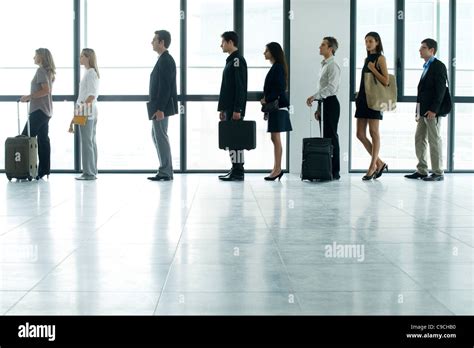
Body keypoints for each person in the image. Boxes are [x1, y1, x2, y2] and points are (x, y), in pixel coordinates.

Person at [405, 38, 448, 181]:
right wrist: (418, 111)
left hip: (432, 112)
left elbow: (441, 90)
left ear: (431, 50)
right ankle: (422, 170)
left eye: (423, 48)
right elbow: (422, 91)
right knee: (419, 138)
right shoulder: (427, 66)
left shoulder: (438, 66)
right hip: (423, 111)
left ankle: (438, 172)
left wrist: (434, 110)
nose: (420, 50)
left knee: (434, 140)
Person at [354, 32, 390, 180]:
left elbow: (386, 81)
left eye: (370, 41)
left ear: (377, 42)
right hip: (363, 99)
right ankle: (379, 162)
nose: (368, 44)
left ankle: (372, 166)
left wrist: (373, 68)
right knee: (360, 134)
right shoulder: (366, 59)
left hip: (375, 101)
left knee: (373, 132)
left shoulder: (380, 58)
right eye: (366, 41)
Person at [306, 36, 341, 180]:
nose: (319, 47)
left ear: (330, 48)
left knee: (331, 137)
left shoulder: (333, 65)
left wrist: (314, 97)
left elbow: (331, 88)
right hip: (325, 103)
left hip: (331, 103)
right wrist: (319, 107)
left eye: (323, 45)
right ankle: (326, 170)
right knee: (326, 137)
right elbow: (324, 87)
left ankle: (335, 171)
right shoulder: (324, 65)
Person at [147, 30, 178, 181]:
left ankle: (165, 171)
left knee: (160, 136)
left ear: (162, 42)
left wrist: (160, 109)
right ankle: (165, 169)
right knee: (157, 135)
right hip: (158, 106)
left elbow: (165, 87)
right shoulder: (163, 59)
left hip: (161, 107)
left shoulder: (166, 60)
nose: (151, 42)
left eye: (154, 40)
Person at [20, 48, 55, 180]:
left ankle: (22, 170)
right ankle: (43, 170)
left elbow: (46, 90)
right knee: (43, 140)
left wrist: (29, 97)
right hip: (46, 111)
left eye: (35, 55)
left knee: (24, 139)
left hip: (39, 110)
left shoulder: (41, 70)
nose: (33, 57)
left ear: (41, 56)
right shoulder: (48, 71)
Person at [217, 31, 248, 181]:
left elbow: (240, 87)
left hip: (234, 109)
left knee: (236, 141)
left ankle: (238, 171)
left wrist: (238, 109)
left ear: (230, 42)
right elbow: (227, 88)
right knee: (231, 139)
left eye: (222, 42)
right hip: (229, 108)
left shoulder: (237, 60)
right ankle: (235, 168)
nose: (221, 45)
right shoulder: (231, 60)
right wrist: (223, 109)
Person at [261, 42, 292, 181]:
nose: (264, 53)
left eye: (266, 51)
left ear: (273, 52)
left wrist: (267, 99)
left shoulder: (277, 68)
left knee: (276, 138)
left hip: (277, 107)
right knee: (275, 138)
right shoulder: (277, 67)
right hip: (277, 107)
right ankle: (276, 168)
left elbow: (279, 88)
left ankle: (277, 169)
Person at [68, 48, 100, 180]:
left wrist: (79, 111)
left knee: (87, 142)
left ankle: (89, 173)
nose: (80, 58)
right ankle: (92, 171)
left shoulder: (91, 73)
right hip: (87, 110)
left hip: (86, 110)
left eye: (82, 56)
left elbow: (91, 96)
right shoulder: (89, 72)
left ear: (88, 58)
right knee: (90, 141)